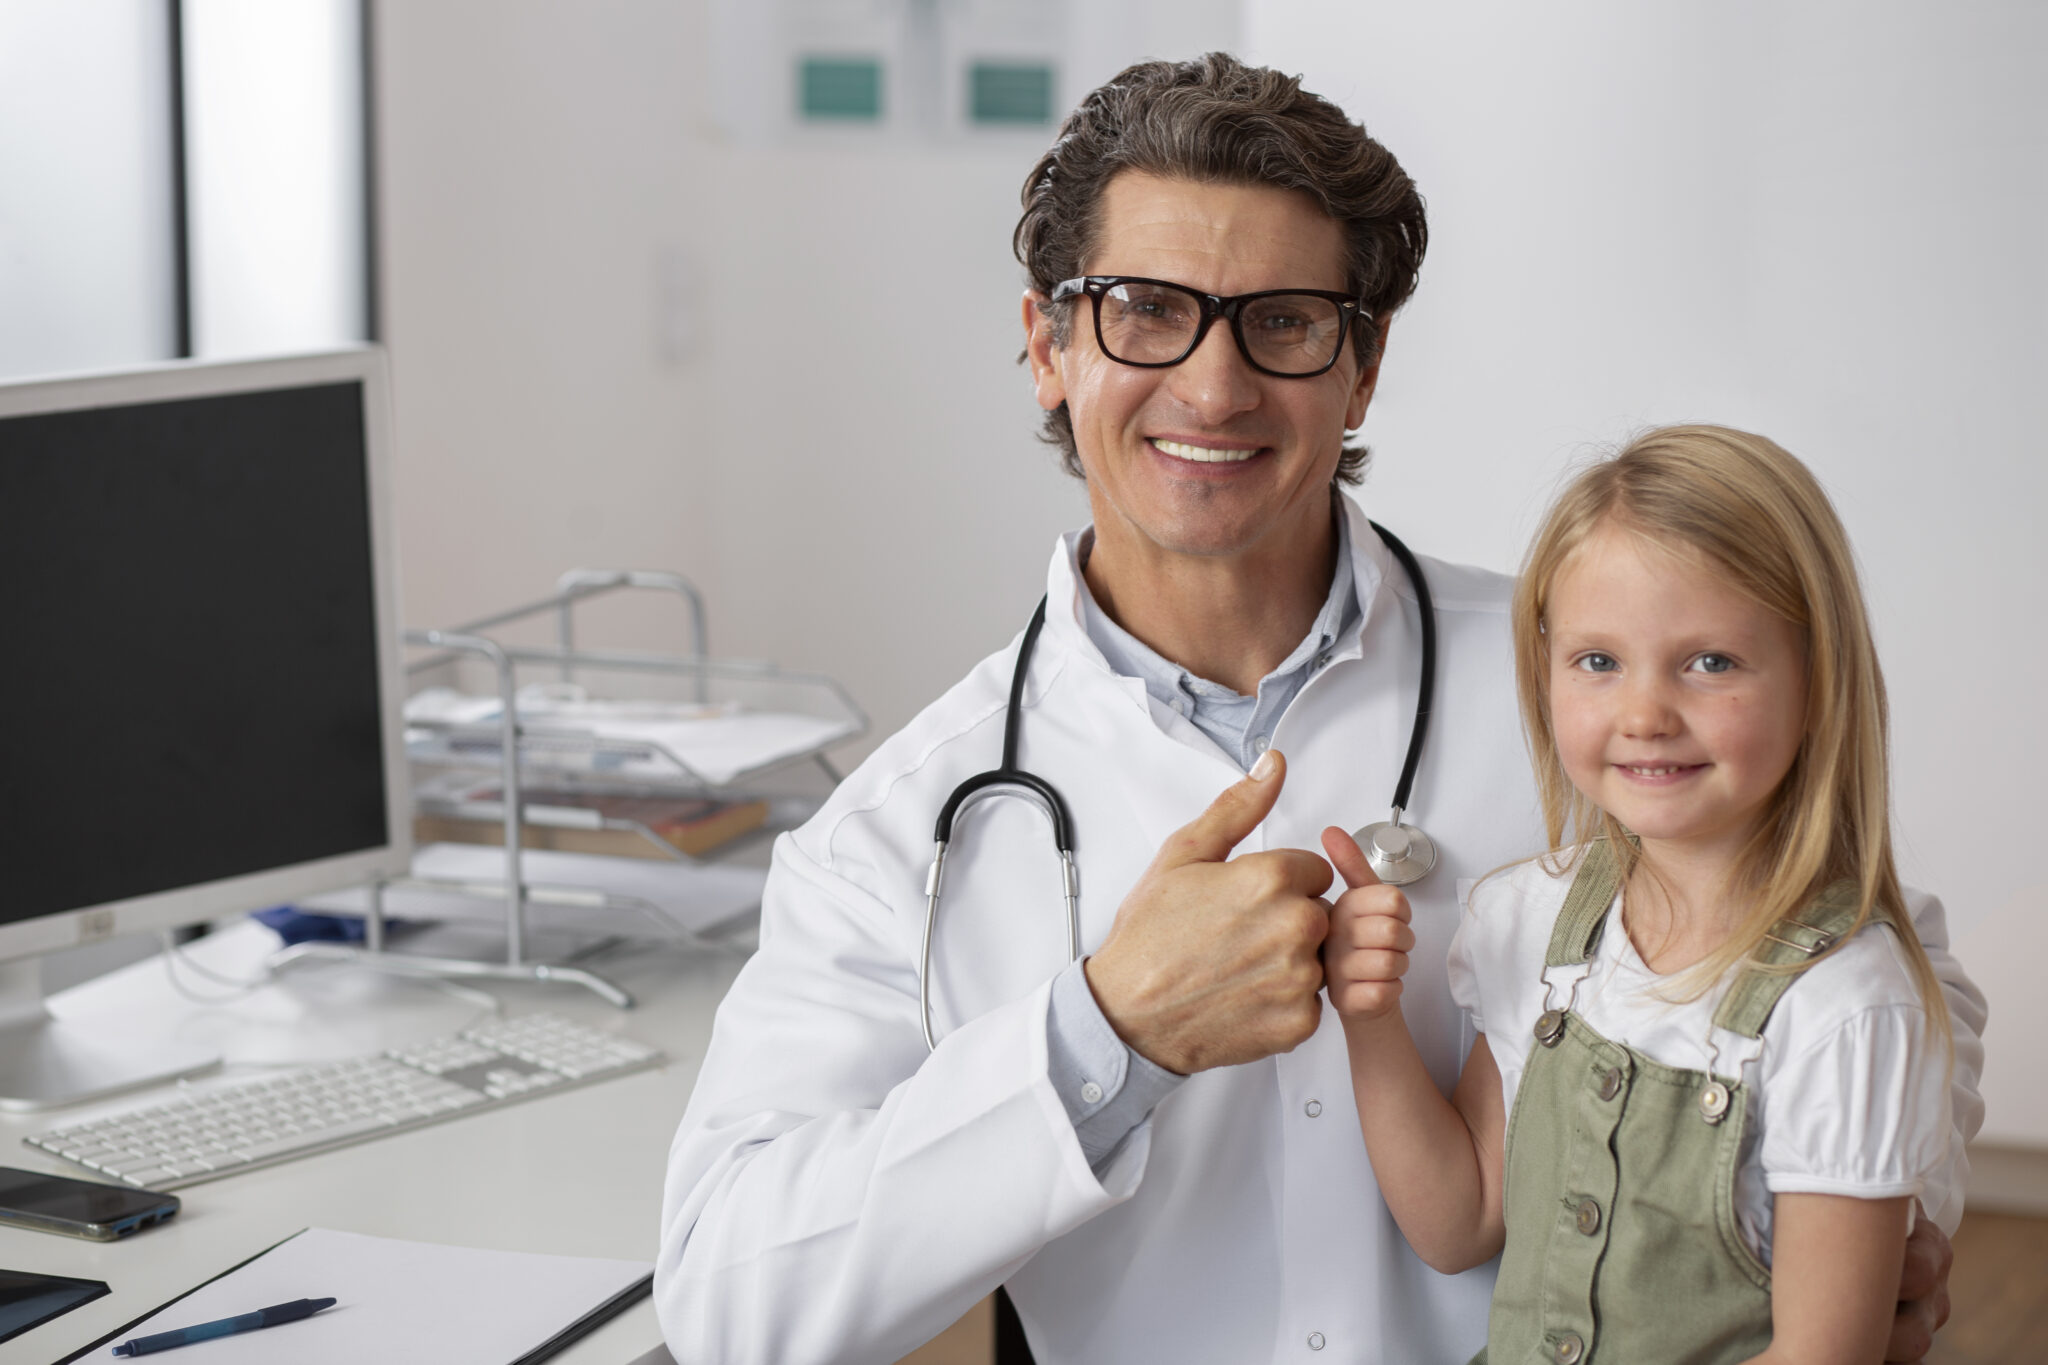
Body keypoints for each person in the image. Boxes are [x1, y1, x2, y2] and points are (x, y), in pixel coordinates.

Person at [655, 55, 1983, 1364]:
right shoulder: (900, 829)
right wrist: (1106, 1033)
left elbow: (1885, 956)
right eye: (1145, 311)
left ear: (1362, 362)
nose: (1213, 386)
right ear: (1050, 347)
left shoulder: (1593, 687)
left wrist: (1867, 1219)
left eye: (1282, 320)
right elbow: (726, 1307)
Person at [1323, 425, 1960, 1363]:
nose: (1645, 713)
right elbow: (1460, 1221)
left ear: (1818, 678)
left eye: (1711, 662)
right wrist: (1370, 1018)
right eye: (1598, 661)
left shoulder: (1845, 1005)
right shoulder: (1531, 920)